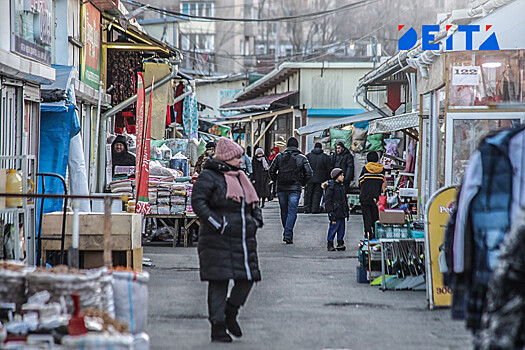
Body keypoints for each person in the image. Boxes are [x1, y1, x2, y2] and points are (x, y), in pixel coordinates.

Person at [443, 126, 525, 348]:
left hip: (494, 269)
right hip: (499, 272)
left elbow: (461, 218)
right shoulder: (493, 151)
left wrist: (459, 271)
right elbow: (462, 217)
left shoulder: (493, 151)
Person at [192, 137, 263, 343]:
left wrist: (255, 220)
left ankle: (231, 311)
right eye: (237, 157)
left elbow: (253, 202)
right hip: (217, 239)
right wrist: (217, 223)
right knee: (218, 282)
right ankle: (218, 326)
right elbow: (198, 202)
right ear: (226, 158)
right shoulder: (209, 176)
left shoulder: (241, 177)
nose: (241, 161)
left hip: (243, 238)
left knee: (249, 277)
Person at [269, 137, 312, 244]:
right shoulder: (302, 158)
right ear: (297, 146)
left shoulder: (279, 157)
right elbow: (309, 173)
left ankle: (287, 232)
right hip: (295, 188)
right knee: (292, 211)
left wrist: (276, 181)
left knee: (284, 211)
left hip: (282, 187)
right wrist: (302, 182)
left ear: (287, 146)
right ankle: (288, 234)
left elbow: (271, 171)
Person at [358, 151, 385, 239]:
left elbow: (360, 182)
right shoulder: (381, 169)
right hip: (376, 197)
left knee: (367, 217)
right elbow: (383, 184)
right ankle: (376, 234)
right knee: (375, 216)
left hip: (365, 196)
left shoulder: (365, 168)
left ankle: (368, 235)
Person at [323, 168, 349, 251]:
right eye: (341, 175)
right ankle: (330, 242)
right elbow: (328, 200)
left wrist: (346, 210)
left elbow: (344, 199)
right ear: (336, 176)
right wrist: (330, 211)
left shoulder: (341, 186)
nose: (343, 177)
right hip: (335, 211)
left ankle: (340, 242)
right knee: (333, 227)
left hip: (341, 211)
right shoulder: (331, 187)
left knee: (341, 228)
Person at [305, 143, 330, 213]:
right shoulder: (325, 157)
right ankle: (314, 209)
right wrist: (326, 178)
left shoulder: (308, 156)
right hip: (320, 179)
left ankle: (307, 209)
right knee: (317, 194)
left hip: (310, 179)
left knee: (309, 193)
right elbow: (328, 169)